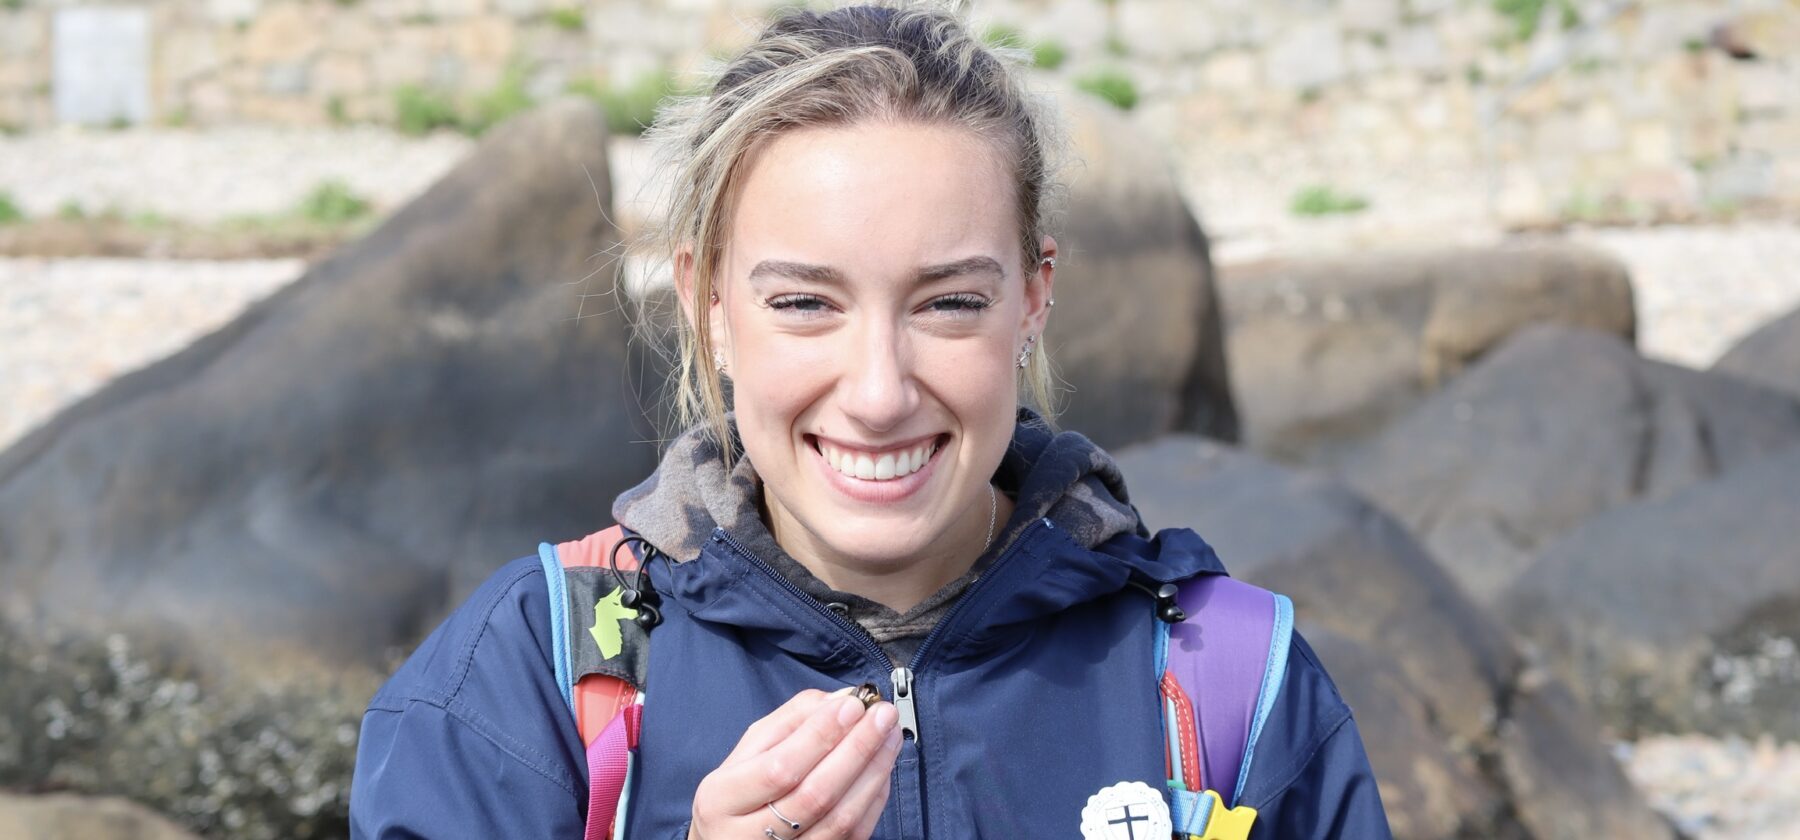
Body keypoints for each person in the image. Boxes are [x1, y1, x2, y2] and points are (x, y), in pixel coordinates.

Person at [349, 4, 1391, 838]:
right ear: (707, 304)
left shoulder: (1232, 691)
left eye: (948, 302)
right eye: (805, 302)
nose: (879, 390)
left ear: (1033, 298)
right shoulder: (527, 682)